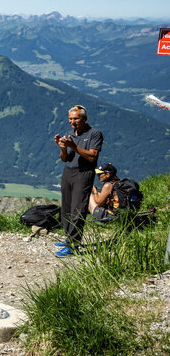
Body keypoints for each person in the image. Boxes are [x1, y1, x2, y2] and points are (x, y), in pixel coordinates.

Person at [53, 105, 103, 257]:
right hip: (68, 171)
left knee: (78, 208)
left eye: (76, 118)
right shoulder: (70, 134)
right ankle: (68, 237)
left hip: (84, 173)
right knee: (67, 207)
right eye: (70, 119)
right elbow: (65, 158)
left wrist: (73, 146)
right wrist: (62, 148)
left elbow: (92, 156)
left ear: (85, 118)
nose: (72, 122)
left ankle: (73, 245)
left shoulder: (94, 134)